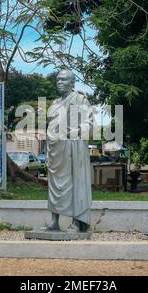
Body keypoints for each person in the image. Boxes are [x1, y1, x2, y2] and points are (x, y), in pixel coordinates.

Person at [45, 69, 93, 233]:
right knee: (54, 185)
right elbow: (51, 127)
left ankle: (76, 222)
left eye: (64, 80)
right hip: (56, 151)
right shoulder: (54, 103)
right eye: (58, 79)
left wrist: (74, 132)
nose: (59, 82)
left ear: (72, 83)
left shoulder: (80, 99)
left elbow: (89, 123)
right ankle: (54, 221)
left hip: (73, 149)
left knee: (74, 184)